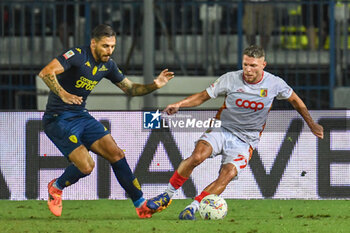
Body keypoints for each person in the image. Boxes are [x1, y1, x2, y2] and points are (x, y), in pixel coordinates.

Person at [146, 45, 324, 220]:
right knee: (197, 157)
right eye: (245, 64)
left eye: (253, 65)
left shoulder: (275, 84)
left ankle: (192, 208)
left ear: (263, 65)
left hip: (246, 141)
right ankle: (166, 195)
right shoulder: (230, 79)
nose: (247, 69)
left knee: (228, 174)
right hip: (221, 129)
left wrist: (311, 124)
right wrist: (179, 105)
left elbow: (296, 100)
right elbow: (202, 96)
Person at [38, 24, 174, 218]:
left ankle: (140, 204)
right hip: (58, 119)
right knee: (86, 167)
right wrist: (63, 93)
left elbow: (131, 90)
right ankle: (56, 187)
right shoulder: (77, 55)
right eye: (105, 46)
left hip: (81, 115)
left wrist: (155, 84)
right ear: (93, 43)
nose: (109, 51)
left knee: (116, 154)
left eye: (112, 46)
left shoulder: (108, 65)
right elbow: (45, 72)